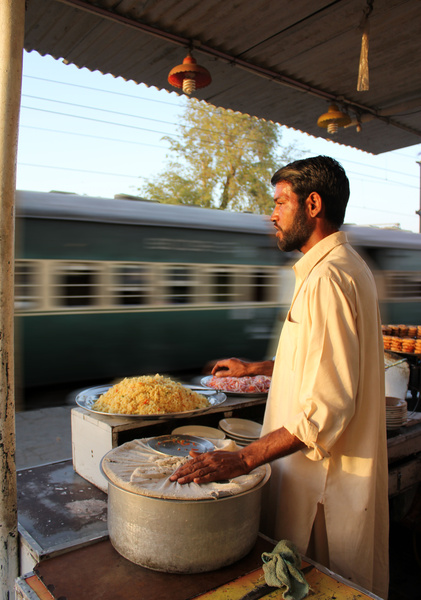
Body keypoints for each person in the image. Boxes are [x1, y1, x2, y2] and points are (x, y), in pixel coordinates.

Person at [171, 156, 389, 599]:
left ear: (312, 204)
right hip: (328, 481)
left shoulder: (328, 278)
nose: (272, 214)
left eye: (280, 202)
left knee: (323, 585)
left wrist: (245, 458)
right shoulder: (347, 266)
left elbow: (327, 407)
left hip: (323, 491)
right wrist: (260, 368)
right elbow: (327, 358)